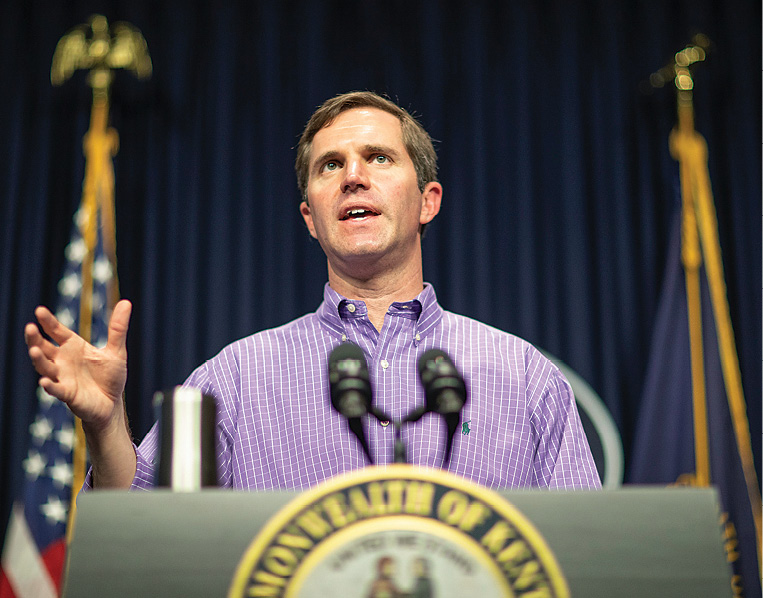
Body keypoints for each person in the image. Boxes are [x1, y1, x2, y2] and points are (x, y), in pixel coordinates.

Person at [25, 91, 601, 491]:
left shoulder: (522, 375)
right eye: (331, 165)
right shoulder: (233, 377)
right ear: (310, 216)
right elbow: (150, 544)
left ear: (428, 200)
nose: (354, 175)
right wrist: (103, 425)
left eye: (378, 157)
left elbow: (589, 556)